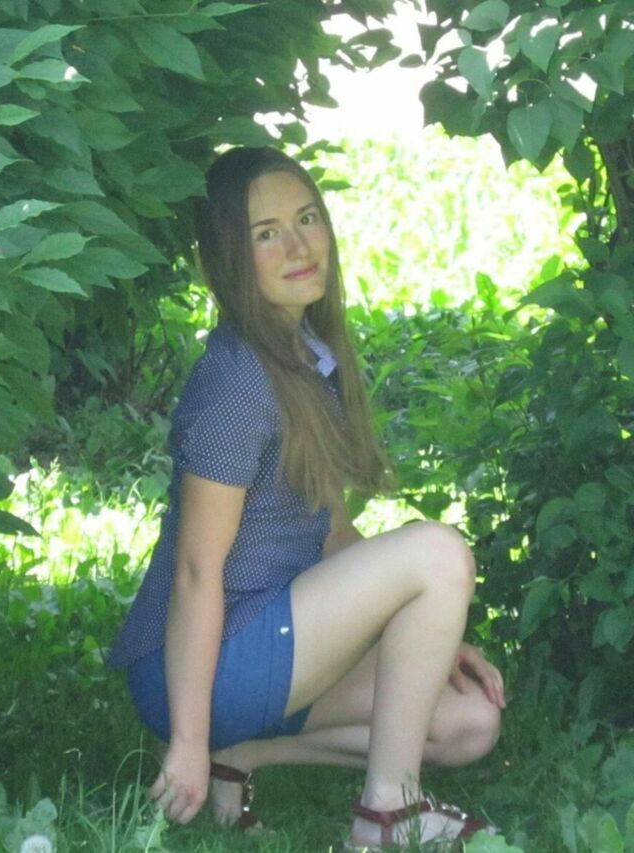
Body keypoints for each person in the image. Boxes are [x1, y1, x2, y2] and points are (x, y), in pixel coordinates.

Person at [108, 146, 505, 849]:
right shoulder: (235, 382)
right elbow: (198, 571)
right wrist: (187, 739)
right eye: (266, 233)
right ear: (230, 258)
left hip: (269, 646)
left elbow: (332, 533)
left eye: (307, 219)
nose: (297, 246)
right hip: (207, 662)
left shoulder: (306, 357)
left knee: (469, 722)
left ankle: (244, 754)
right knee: (439, 551)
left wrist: (433, 636)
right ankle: (387, 814)